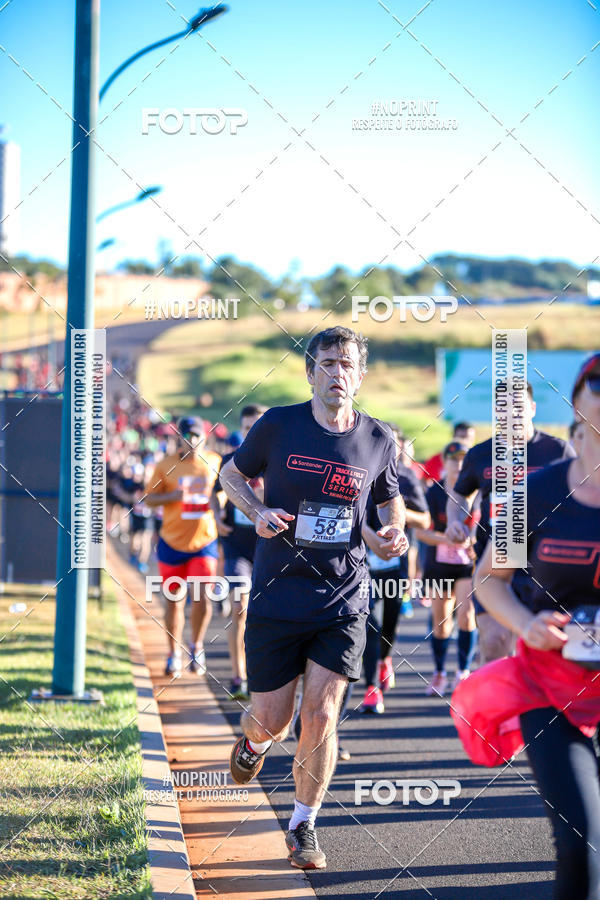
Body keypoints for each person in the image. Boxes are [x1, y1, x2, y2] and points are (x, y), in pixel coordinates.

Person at [219, 326, 408, 870]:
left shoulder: (377, 439)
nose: (336, 373)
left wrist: (389, 530)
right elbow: (232, 474)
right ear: (310, 372)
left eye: (346, 364)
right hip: (279, 593)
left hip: (343, 596)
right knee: (272, 719)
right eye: (327, 363)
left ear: (360, 373)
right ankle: (253, 745)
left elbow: (388, 501)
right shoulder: (279, 425)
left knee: (322, 714)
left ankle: (304, 825)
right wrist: (257, 513)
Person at [462, 352, 600, 900]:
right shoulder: (536, 493)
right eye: (598, 383)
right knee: (581, 840)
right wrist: (525, 622)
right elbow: (490, 580)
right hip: (552, 683)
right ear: (578, 402)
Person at [445, 383, 574, 663]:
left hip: (546, 566)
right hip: (496, 565)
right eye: (502, 407)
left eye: (518, 406)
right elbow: (459, 494)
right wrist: (456, 521)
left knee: (547, 653)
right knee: (495, 642)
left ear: (532, 409)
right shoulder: (480, 454)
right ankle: (497, 707)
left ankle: (536, 706)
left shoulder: (558, 451)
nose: (511, 414)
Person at [144, 416, 222, 678]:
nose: (191, 440)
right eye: (186, 435)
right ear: (179, 438)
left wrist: (218, 506)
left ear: (205, 437)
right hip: (172, 542)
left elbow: (226, 493)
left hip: (204, 542)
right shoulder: (166, 465)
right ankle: (172, 653)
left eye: (196, 435)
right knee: (174, 602)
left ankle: (197, 646)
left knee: (202, 598)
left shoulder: (215, 462)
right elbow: (149, 499)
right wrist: (171, 497)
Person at [360, 426, 430, 713]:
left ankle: (384, 658)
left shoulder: (406, 477)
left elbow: (425, 521)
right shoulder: (358, 470)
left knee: (388, 623)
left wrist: (395, 515)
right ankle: (371, 689)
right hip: (363, 561)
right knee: (371, 624)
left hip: (394, 563)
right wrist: (368, 534)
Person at [213, 404, 268, 700]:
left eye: (256, 426)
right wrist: (217, 515)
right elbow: (217, 491)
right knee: (240, 610)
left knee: (270, 614)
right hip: (237, 547)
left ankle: (264, 676)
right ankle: (239, 677)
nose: (251, 432)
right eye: (247, 427)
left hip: (269, 546)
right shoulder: (230, 460)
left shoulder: (275, 459)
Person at [413, 441, 477, 696]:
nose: (458, 465)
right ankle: (439, 673)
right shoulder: (435, 493)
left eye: (463, 460)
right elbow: (420, 532)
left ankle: (463, 672)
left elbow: (487, 527)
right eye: (453, 460)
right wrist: (446, 539)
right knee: (441, 623)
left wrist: (474, 542)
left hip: (467, 565)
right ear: (445, 463)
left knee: (467, 616)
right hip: (439, 565)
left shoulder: (478, 493)